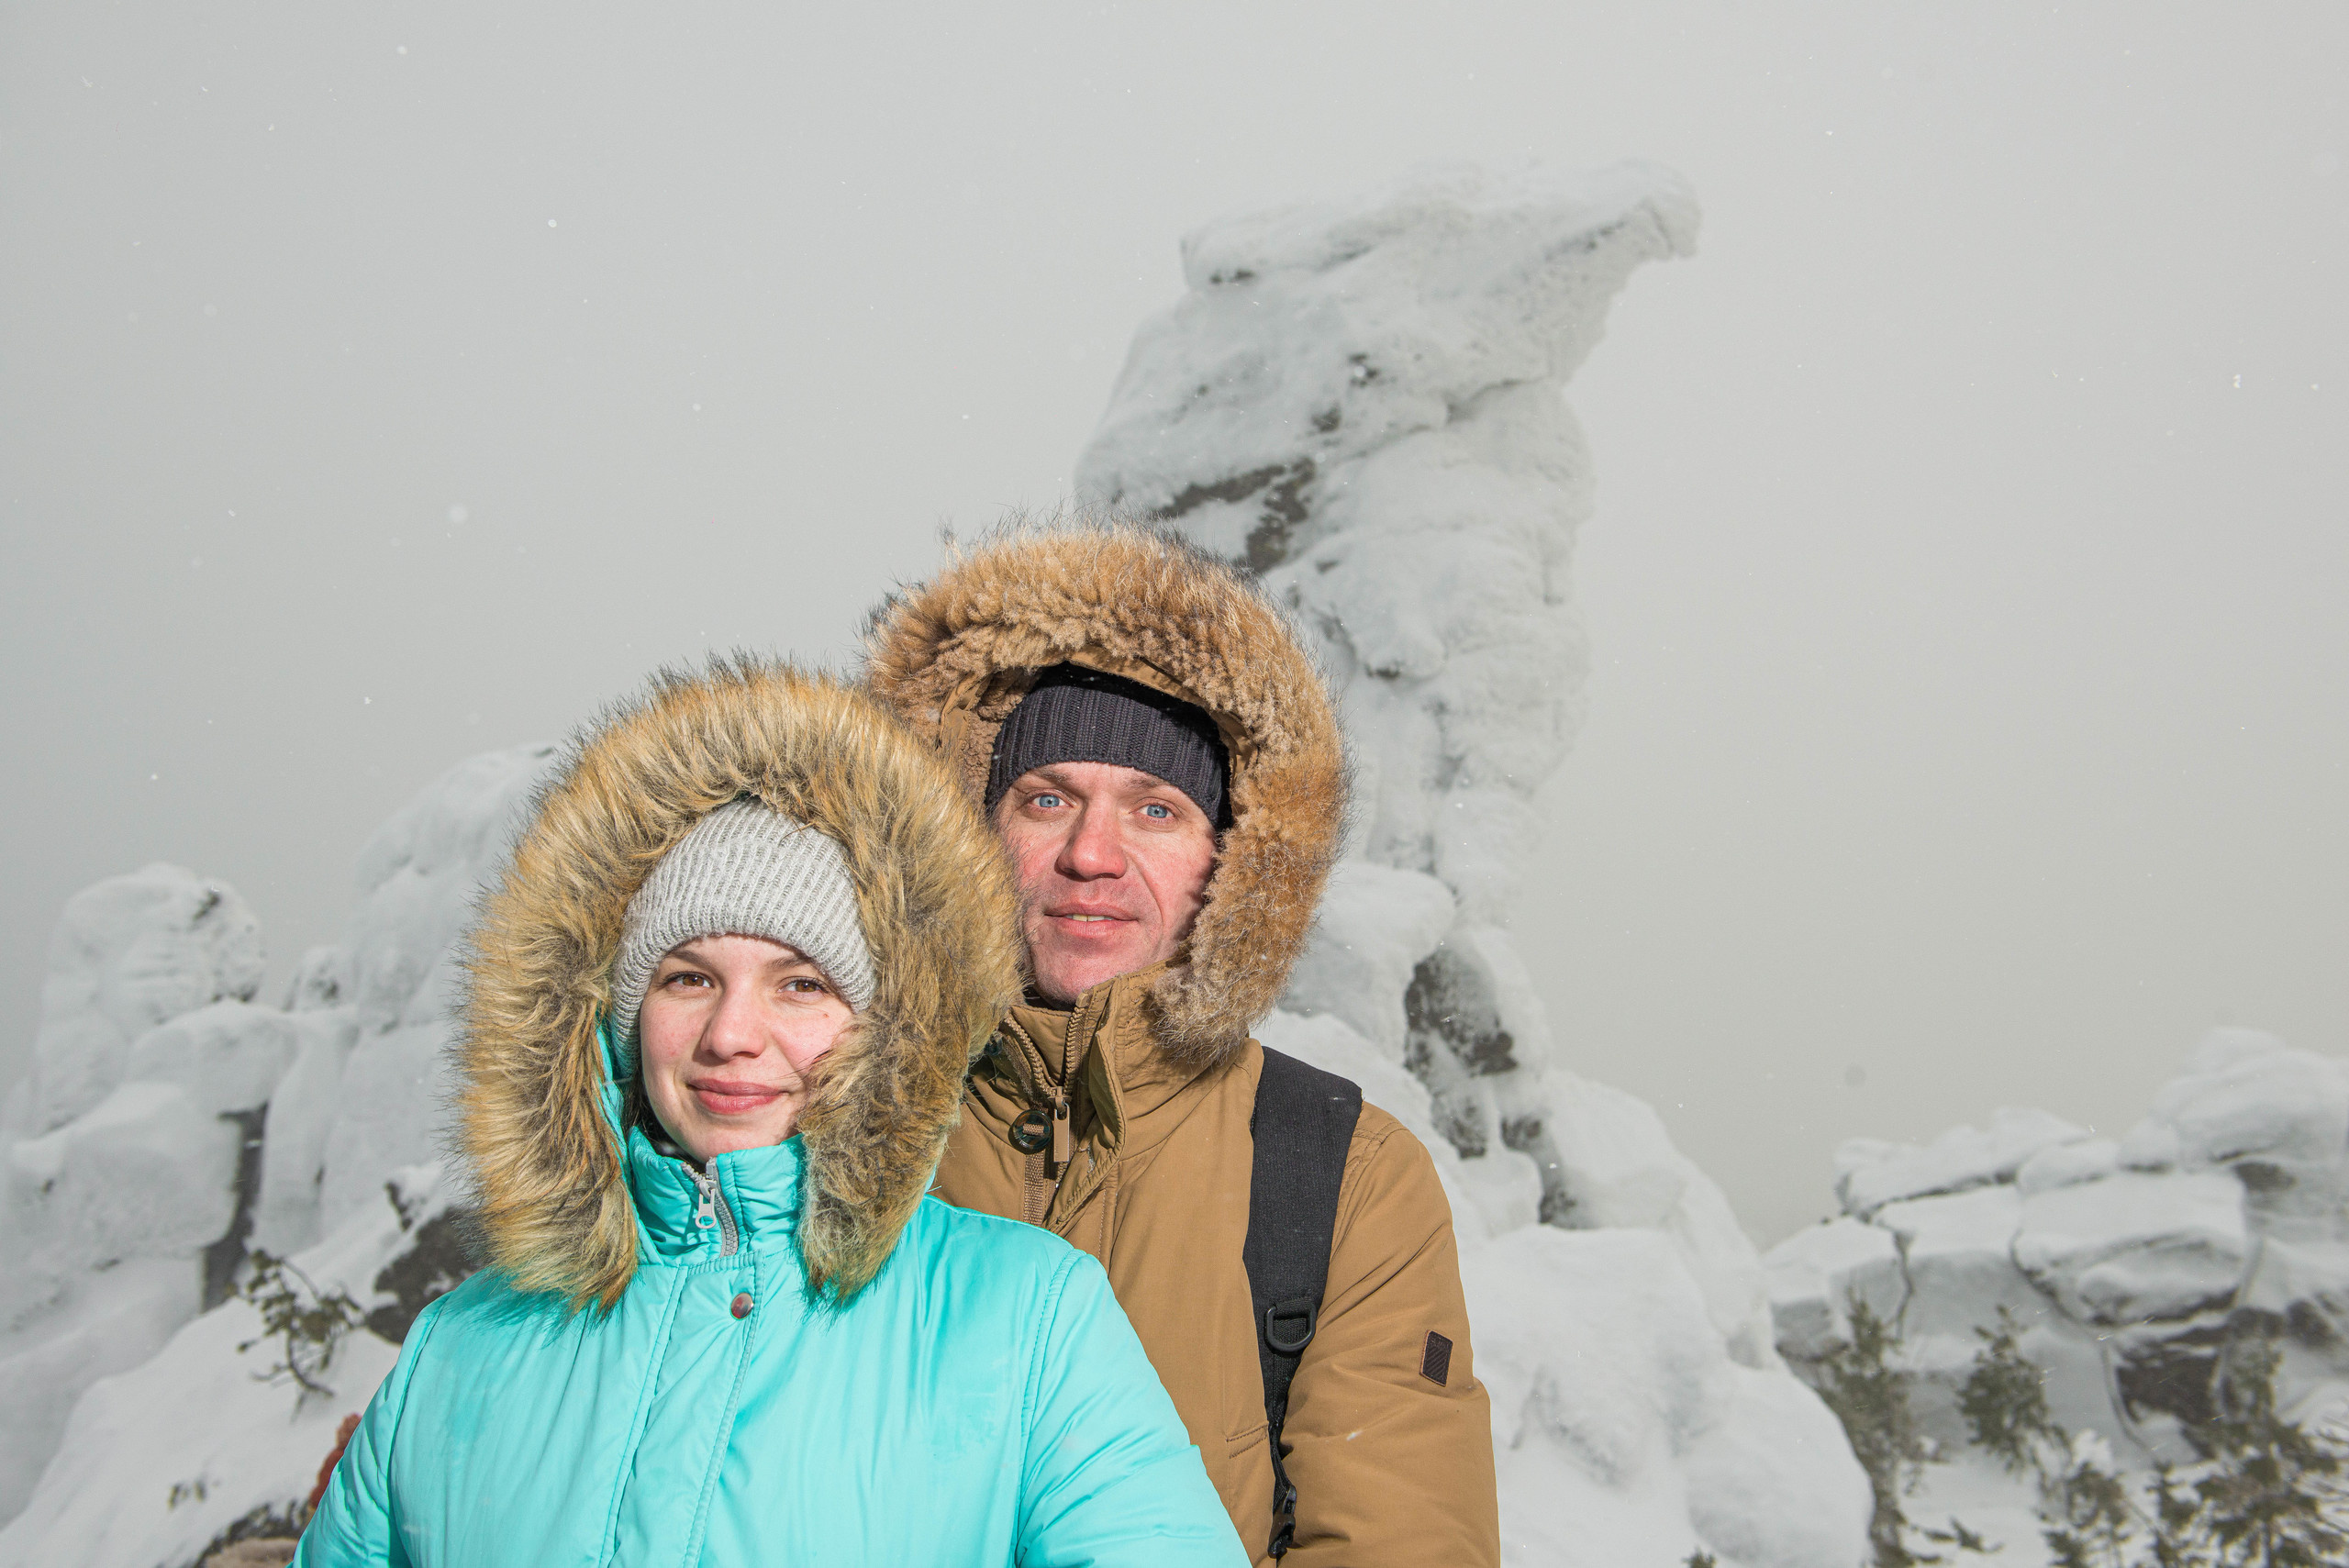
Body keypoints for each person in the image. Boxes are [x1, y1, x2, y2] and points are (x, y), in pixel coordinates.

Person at [296, 659, 1244, 1567]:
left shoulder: (1028, 1315)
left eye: (800, 983)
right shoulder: (458, 1345)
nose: (730, 1033)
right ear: (615, 1017)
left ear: (885, 1027)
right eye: (687, 977)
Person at [866, 519, 1502, 1566]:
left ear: (1234, 865)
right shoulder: (830, 1115)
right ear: (966, 828)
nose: (1090, 854)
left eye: (1155, 809)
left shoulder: (1341, 1176)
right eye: (1045, 797)